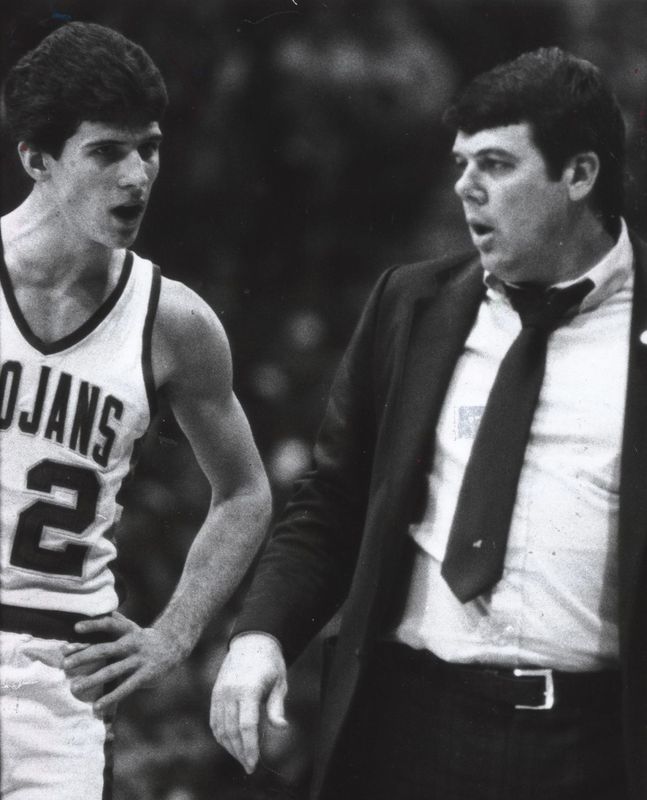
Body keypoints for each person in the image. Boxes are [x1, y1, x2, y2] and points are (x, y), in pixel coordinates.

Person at [211, 47, 647, 800]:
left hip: (591, 749)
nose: (465, 188)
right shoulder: (410, 306)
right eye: (460, 163)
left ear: (579, 175)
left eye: (497, 165)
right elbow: (333, 497)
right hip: (408, 732)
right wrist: (260, 633)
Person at [0, 20, 272, 800]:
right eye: (107, 151)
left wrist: (175, 634)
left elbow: (246, 492)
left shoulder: (174, 322)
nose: (137, 176)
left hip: (64, 677)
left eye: (148, 148)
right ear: (37, 159)